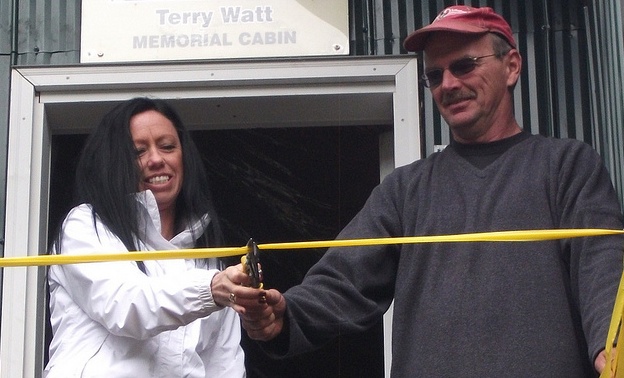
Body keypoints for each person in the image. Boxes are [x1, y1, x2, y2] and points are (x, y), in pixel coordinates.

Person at [226, 5, 624, 377]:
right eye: (435, 75)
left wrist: (612, 347)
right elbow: (342, 281)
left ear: (512, 67)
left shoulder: (568, 166)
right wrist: (286, 318)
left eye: (464, 66)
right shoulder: (404, 189)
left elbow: (602, 266)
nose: (448, 84)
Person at [44, 97, 246, 377]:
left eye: (167, 147)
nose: (156, 159)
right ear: (115, 163)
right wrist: (209, 290)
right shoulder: (85, 225)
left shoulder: (211, 266)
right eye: (138, 151)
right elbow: (125, 306)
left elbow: (225, 367)